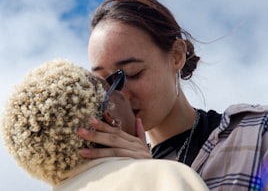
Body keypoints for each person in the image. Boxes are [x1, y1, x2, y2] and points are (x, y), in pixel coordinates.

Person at [78, 0, 268, 191]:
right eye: (106, 83)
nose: (120, 95)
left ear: (177, 56)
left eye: (132, 73)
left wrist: (153, 177)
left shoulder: (257, 131)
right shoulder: (107, 178)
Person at [1, 59, 209, 191]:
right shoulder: (162, 178)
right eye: (115, 85)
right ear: (110, 118)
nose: (126, 94)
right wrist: (149, 168)